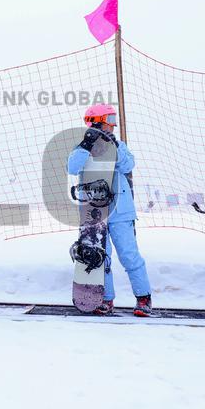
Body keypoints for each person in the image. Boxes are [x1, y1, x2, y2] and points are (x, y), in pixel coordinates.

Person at [67, 104, 154, 317]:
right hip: (94, 213)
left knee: (129, 255)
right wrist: (87, 144)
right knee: (100, 257)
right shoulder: (82, 148)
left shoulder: (119, 144)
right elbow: (72, 167)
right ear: (97, 121)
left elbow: (127, 165)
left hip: (121, 210)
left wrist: (115, 147)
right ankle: (106, 298)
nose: (113, 124)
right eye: (109, 120)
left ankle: (143, 297)